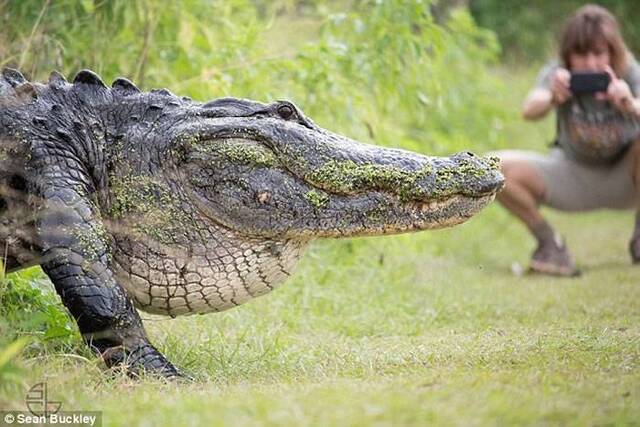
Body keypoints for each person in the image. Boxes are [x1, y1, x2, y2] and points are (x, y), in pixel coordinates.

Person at [495, 4, 640, 276]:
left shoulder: (629, 72)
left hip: (627, 177)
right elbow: (529, 109)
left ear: (612, 52)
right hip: (573, 174)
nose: (590, 64)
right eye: (581, 54)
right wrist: (553, 96)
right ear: (568, 55)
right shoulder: (558, 75)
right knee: (493, 168)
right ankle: (550, 244)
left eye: (598, 53)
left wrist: (629, 103)